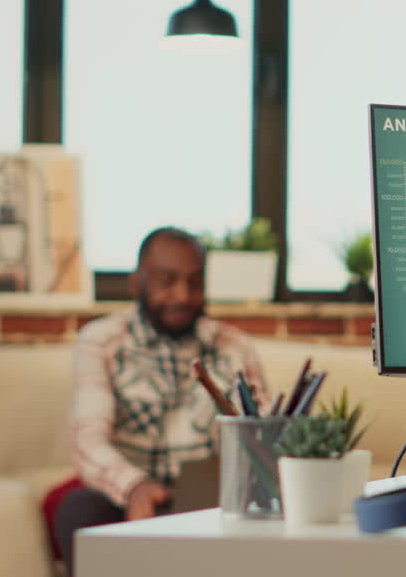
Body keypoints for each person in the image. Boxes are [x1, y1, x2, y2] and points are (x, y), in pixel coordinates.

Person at [50, 226, 268, 575]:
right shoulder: (100, 342)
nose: (182, 295)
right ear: (136, 283)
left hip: (210, 503)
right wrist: (135, 487)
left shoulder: (235, 347)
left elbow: (262, 437)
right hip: (127, 495)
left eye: (194, 282)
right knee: (79, 509)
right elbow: (88, 439)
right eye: (167, 281)